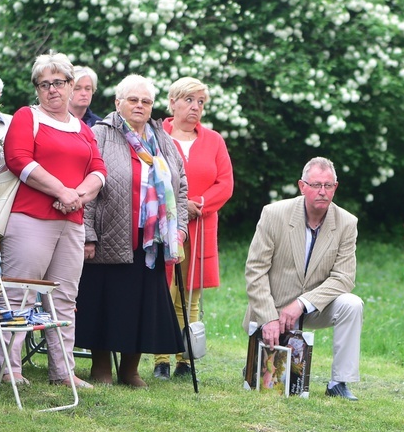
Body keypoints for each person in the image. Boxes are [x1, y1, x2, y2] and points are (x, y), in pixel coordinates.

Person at [0, 52, 107, 389]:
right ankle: (10, 368)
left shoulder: (82, 128)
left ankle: (62, 371)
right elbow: (18, 160)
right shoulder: (26, 117)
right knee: (19, 294)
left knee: (64, 299)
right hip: (30, 217)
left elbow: (99, 169)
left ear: (71, 86)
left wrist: (79, 195)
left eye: (58, 83)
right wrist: (61, 190)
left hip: (72, 222)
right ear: (37, 89)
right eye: (44, 85)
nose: (52, 90)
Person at [76, 74, 188, 389]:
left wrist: (178, 232)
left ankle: (130, 370)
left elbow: (179, 187)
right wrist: (87, 233)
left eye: (146, 101)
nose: (139, 106)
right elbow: (86, 187)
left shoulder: (162, 139)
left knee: (140, 306)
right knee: (105, 304)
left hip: (150, 241)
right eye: (133, 100)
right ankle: (101, 369)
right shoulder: (99, 134)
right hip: (108, 235)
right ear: (118, 103)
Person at [243, 157, 364, 401]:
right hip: (275, 304)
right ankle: (256, 364)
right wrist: (268, 317)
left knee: (352, 304)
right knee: (263, 379)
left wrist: (302, 303)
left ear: (335, 188)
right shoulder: (274, 214)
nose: (322, 191)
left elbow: (344, 277)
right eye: (316, 185)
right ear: (302, 186)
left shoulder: (347, 223)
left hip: (314, 305)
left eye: (328, 186)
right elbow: (255, 270)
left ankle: (339, 382)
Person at [153, 77, 234, 380]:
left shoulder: (214, 140)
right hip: (165, 225)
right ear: (172, 102)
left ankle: (184, 359)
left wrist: (198, 203)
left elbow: (225, 183)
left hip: (201, 227)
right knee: (164, 290)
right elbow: (151, 177)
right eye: (189, 100)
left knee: (190, 296)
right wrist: (179, 205)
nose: (195, 107)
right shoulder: (157, 136)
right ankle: (160, 358)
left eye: (200, 102)